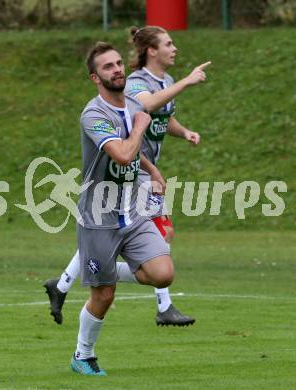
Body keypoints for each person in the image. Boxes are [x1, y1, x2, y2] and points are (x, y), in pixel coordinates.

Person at [44, 26, 210, 327]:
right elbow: (143, 113)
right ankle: (163, 306)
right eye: (168, 44)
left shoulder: (164, 81)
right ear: (152, 50)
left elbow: (160, 115)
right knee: (157, 235)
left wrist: (182, 134)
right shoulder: (134, 85)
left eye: (118, 63)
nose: (174, 49)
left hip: (139, 172)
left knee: (152, 244)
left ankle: (65, 282)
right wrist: (188, 82)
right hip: (121, 182)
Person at [69, 42, 175, 375]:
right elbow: (123, 152)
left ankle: (99, 273)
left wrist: (153, 170)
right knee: (104, 296)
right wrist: (141, 126)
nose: (117, 69)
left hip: (132, 211)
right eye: (108, 67)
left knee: (163, 273)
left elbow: (135, 153)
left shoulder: (131, 104)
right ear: (94, 77)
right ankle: (82, 355)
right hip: (98, 217)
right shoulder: (93, 114)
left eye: (118, 63)